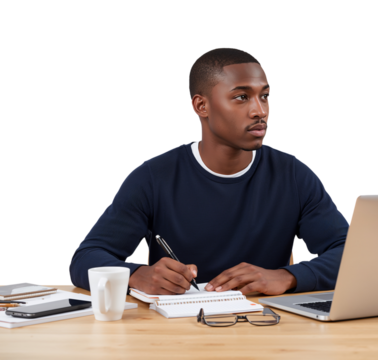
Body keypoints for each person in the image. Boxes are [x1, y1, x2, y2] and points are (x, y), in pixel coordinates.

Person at [68, 47, 349, 296]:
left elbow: (353, 255)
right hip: (176, 329)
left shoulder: (294, 175)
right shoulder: (153, 177)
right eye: (241, 97)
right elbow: (85, 258)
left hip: (267, 326)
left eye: (265, 96)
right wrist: (137, 276)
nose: (259, 111)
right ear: (201, 106)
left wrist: (288, 276)